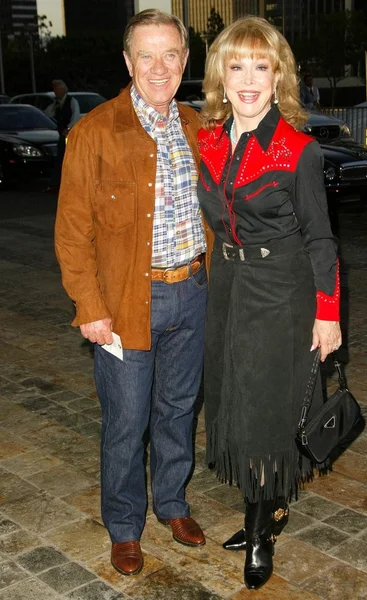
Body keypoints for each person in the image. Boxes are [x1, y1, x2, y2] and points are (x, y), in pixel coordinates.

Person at [55, 9, 214, 577]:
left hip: (192, 291)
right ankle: (125, 525)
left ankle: (172, 503)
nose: (158, 66)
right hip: (125, 301)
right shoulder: (94, 131)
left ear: (184, 61)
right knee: (126, 420)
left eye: (170, 54)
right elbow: (72, 233)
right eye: (145, 55)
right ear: (127, 62)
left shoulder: (199, 126)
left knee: (177, 409)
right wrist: (90, 309)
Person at [197, 17, 341, 590]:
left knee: (266, 411)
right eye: (237, 66)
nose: (248, 79)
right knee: (232, 397)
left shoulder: (298, 150)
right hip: (227, 290)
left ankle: (262, 525)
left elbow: (322, 239)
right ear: (221, 76)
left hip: (282, 292)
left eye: (261, 66)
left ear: (278, 75)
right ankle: (264, 505)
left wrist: (327, 314)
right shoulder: (208, 139)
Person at [44, 80, 80, 192]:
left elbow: (75, 115)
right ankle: (56, 184)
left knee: (70, 159)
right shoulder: (56, 103)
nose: (55, 92)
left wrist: (68, 128)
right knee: (60, 159)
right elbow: (47, 114)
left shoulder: (71, 101)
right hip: (61, 135)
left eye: (57, 90)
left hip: (70, 135)